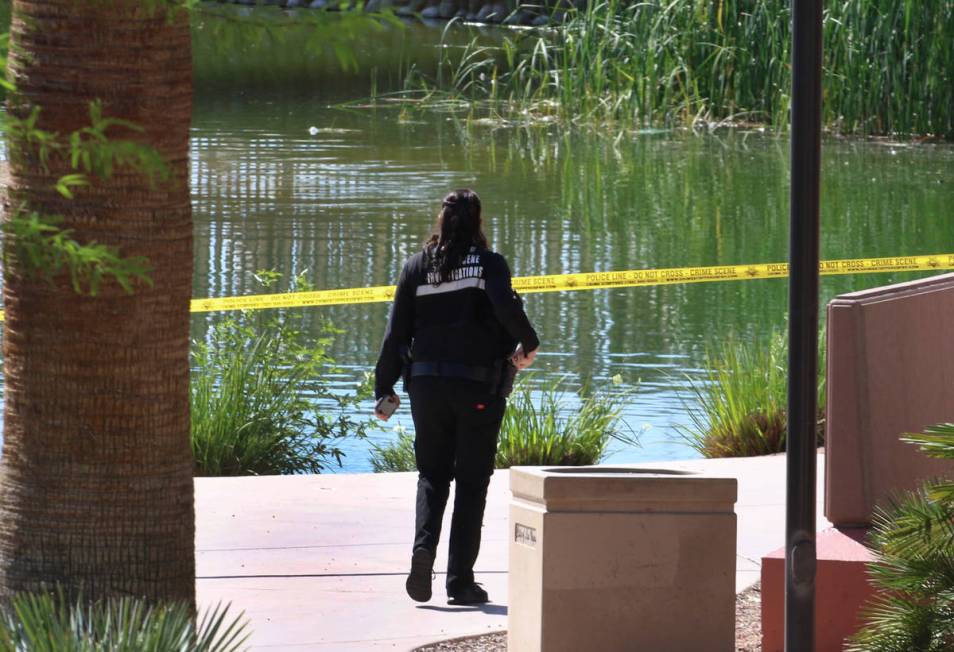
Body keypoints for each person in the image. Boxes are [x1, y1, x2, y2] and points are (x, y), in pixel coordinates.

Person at [374, 188, 539, 605]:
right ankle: (459, 582)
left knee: (432, 476)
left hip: (425, 388)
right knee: (470, 483)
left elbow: (396, 334)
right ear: (478, 222)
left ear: (442, 222)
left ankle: (422, 548)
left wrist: (384, 387)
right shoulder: (488, 264)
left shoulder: (416, 267)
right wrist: (529, 341)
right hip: (477, 388)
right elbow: (505, 307)